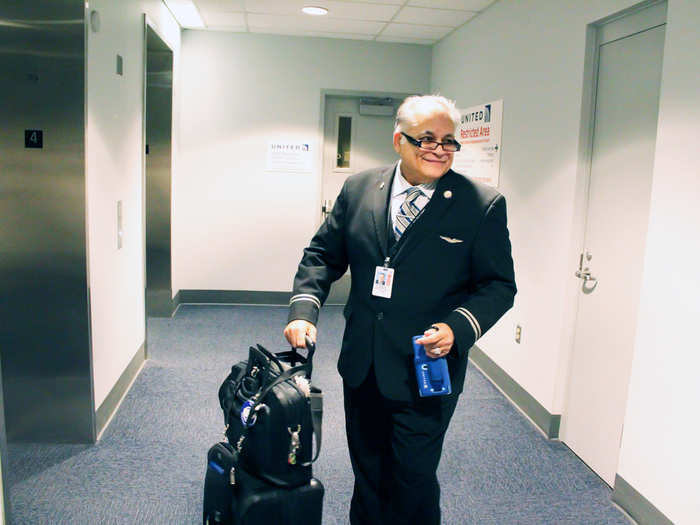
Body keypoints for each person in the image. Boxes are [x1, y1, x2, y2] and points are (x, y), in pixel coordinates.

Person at [283, 95, 516, 525]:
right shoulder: (359, 189)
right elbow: (322, 255)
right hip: (363, 363)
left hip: (426, 369)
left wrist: (457, 328)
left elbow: (498, 286)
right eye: (426, 139)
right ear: (398, 140)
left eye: (449, 141)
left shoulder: (480, 204)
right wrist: (303, 310)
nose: (439, 149)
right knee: (367, 472)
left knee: (413, 479)